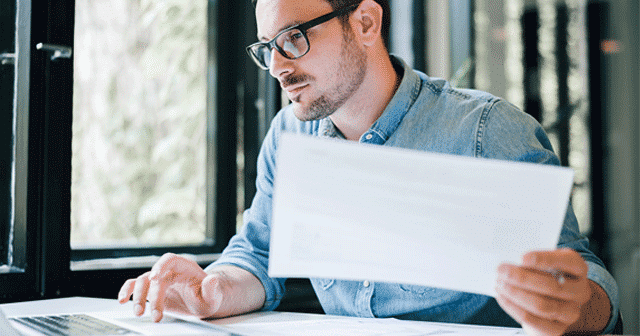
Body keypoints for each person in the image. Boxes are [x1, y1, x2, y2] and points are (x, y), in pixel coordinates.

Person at [118, 0, 620, 334]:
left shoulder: (487, 131)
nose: (277, 67)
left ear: (364, 23)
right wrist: (210, 291)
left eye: (293, 37)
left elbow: (587, 284)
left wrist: (579, 307)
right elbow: (258, 254)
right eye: (267, 48)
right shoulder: (288, 136)